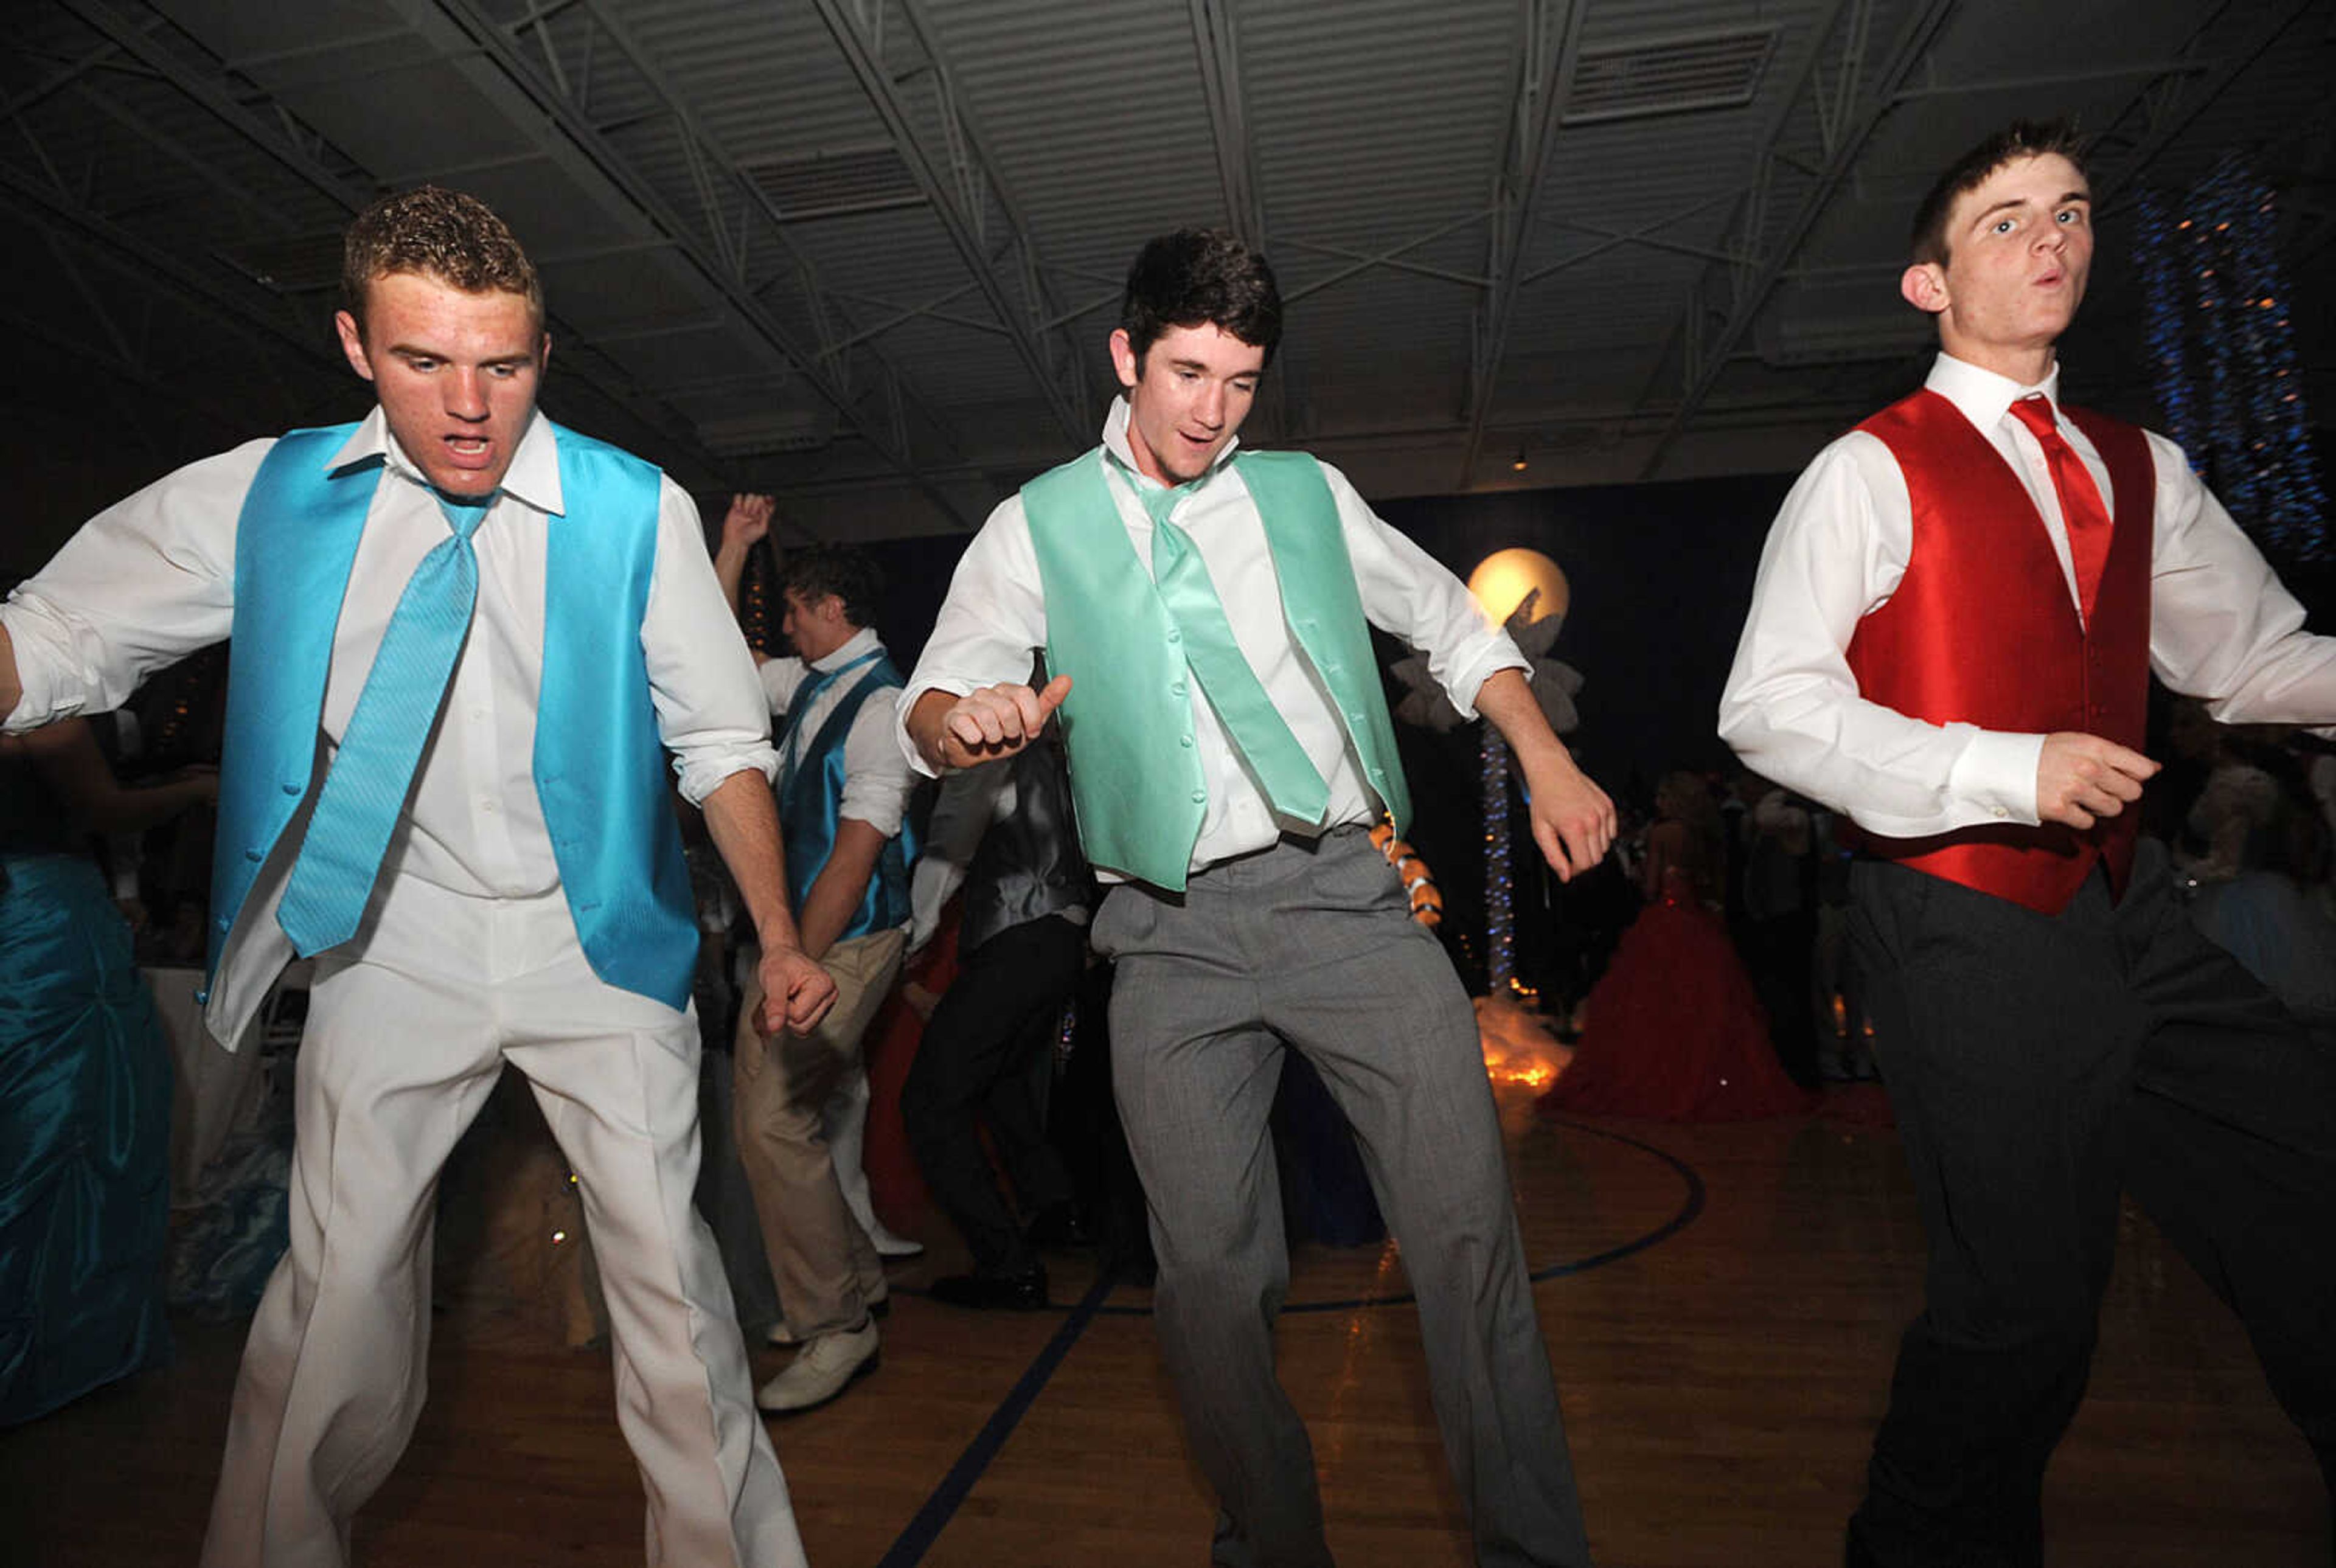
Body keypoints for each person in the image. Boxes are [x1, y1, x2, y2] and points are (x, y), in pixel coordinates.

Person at [0, 187, 836, 1568]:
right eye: (422, 361)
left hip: (597, 938)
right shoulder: (273, 497)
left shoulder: (633, 512)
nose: (468, 406)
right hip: (390, 932)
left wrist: (778, 933)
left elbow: (721, 739)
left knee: (675, 1300)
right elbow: (68, 628)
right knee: (331, 1301)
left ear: (543, 357)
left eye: (501, 366)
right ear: (353, 345)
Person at [900, 227, 1614, 1568]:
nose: (1211, 412)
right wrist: (966, 718)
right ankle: (1271, 1543)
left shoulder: (1304, 493)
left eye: (1240, 381)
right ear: (1125, 355)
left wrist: (1549, 752)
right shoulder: (1037, 524)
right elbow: (930, 700)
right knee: (1213, 1289)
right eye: (1185, 373)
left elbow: (1457, 626)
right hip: (1166, 938)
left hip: (1349, 898)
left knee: (1467, 1239)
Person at [1719, 119, 2336, 1567]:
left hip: (2133, 918)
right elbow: (1767, 708)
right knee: (2024, 1314)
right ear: (1926, 284)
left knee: (2302, 1180)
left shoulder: (2139, 463)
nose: (2047, 239)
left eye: (2065, 214)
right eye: (2001, 221)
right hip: (1959, 928)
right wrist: (2003, 766)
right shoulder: (1867, 470)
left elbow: (2248, 664)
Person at [712, 510, 917, 1414]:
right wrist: (736, 551)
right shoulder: (816, 682)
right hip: (794, 941)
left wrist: (794, 956)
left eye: (794, 612)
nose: (785, 627)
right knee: (766, 1120)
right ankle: (857, 1280)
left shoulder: (882, 703)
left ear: (830, 608)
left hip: (851, 937)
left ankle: (839, 1327)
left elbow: (855, 853)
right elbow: (719, 662)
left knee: (772, 1122)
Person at [1, 710, 214, 1424]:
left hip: (32, 910)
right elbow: (101, 807)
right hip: (41, 917)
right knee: (79, 1120)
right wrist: (199, 790)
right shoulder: (30, 688)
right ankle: (51, 1349)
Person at [900, 720, 1094, 1308]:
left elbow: (950, 848)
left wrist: (910, 940)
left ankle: (1008, 1265)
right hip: (1066, 937)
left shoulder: (984, 745)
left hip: (1018, 935)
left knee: (929, 1103)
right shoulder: (1058, 748)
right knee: (1000, 1077)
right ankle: (1055, 1209)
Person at [1534, 771, 1813, 1122]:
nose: (1658, 803)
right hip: (1699, 922)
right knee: (1704, 1008)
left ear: (1677, 800)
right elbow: (1714, 885)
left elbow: (1651, 887)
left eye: (1664, 797)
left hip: (1664, 920)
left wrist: (1640, 876)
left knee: (1654, 1007)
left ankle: (1661, 1082)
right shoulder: (1706, 835)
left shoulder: (1665, 833)